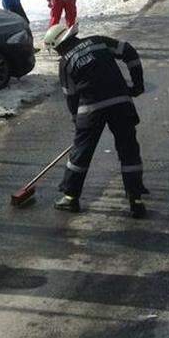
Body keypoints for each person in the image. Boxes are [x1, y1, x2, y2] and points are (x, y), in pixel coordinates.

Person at [42, 22, 148, 217]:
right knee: (129, 150)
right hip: (120, 103)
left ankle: (70, 198)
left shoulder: (66, 62)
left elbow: (71, 96)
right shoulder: (98, 41)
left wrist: (77, 122)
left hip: (90, 109)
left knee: (81, 153)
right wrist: (137, 84)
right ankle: (136, 199)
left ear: (58, 46)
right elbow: (129, 52)